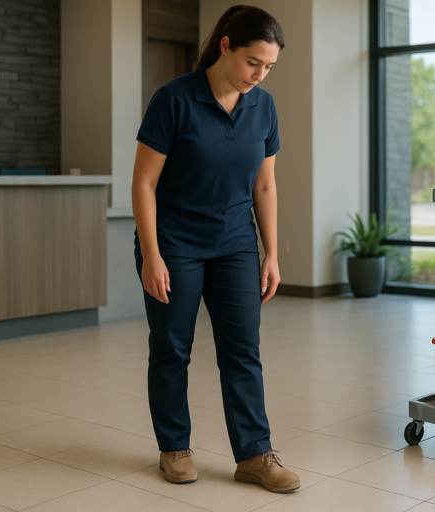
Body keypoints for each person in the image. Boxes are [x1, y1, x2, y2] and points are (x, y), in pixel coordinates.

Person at [131, 5, 299, 493]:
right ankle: (174, 447)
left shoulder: (263, 106)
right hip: (174, 243)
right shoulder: (174, 99)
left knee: (243, 351)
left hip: (235, 245)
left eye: (268, 66)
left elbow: (264, 186)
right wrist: (152, 254)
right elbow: (144, 183)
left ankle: (254, 454)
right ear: (225, 45)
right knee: (172, 349)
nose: (259, 74)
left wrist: (271, 253)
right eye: (253, 62)